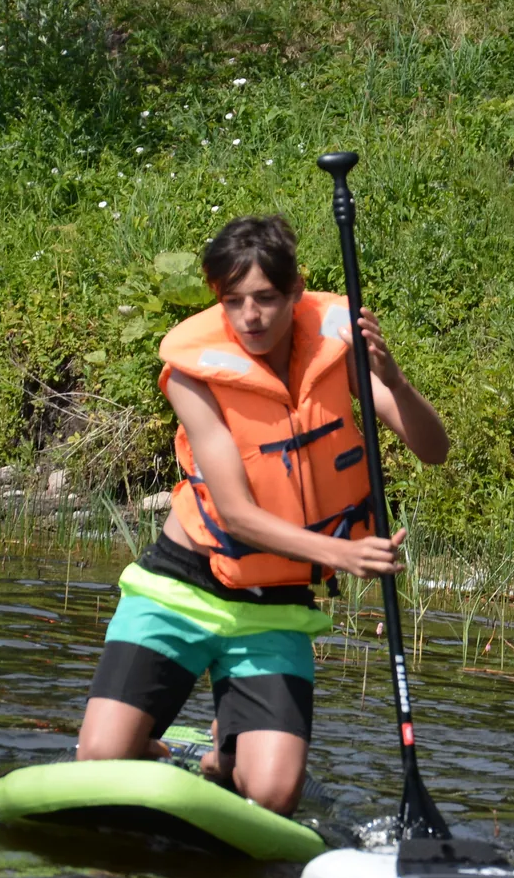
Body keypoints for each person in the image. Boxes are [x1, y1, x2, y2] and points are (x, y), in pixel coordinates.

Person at [76, 214, 451, 815]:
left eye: (267, 299)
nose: (251, 316)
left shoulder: (337, 347)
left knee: (272, 794)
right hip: (183, 585)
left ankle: (224, 759)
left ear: (296, 292)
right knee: (98, 763)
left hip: (275, 604)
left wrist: (394, 378)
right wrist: (343, 554)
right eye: (234, 301)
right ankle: (145, 744)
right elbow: (238, 515)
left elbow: (433, 450)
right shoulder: (193, 374)